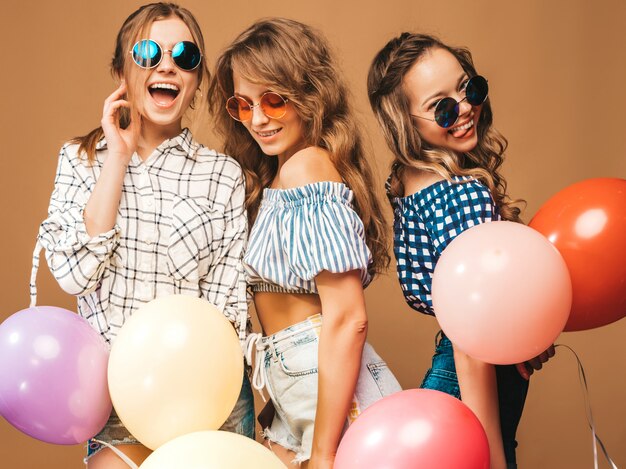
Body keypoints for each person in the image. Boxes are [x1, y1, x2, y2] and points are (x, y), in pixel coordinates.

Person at [34, 3, 254, 467]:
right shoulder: (81, 159)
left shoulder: (222, 175)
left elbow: (227, 310)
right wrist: (117, 155)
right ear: (121, 70)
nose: (167, 65)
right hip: (117, 399)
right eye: (148, 52)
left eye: (185, 56)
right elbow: (74, 274)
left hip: (205, 397)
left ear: (197, 80)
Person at [209, 18, 401, 469]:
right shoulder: (281, 175)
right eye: (243, 104)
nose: (258, 119)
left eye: (273, 100)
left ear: (308, 94)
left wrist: (324, 451)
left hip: (330, 391)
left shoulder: (308, 168)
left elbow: (348, 318)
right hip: (297, 389)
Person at [367, 33, 554, 469]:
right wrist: (491, 456)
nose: (466, 108)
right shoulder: (461, 192)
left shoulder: (411, 183)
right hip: (469, 379)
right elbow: (471, 338)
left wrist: (525, 334)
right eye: (442, 107)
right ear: (406, 123)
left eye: (469, 88)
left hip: (462, 379)